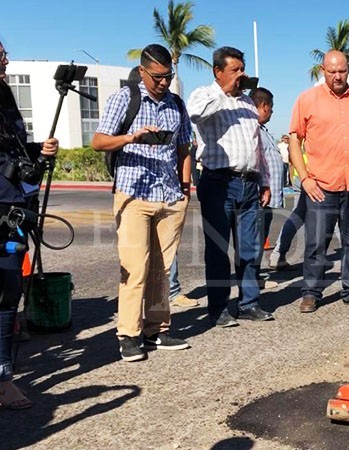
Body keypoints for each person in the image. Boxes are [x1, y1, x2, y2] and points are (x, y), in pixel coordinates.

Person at [91, 44, 193, 360]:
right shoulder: (125, 98)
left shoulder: (176, 104)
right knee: (135, 268)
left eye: (168, 76)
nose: (163, 82)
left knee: (162, 270)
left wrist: (185, 188)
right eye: (157, 76)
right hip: (133, 195)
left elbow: (184, 148)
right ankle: (128, 334)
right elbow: (98, 141)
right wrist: (131, 138)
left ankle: (156, 330)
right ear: (142, 71)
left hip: (169, 196)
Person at [289, 50, 349, 313]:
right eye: (332, 72)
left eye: (342, 71)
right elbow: (295, 140)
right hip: (321, 187)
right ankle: (311, 292)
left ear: (348, 69)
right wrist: (305, 178)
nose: (337, 76)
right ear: (323, 70)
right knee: (317, 242)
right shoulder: (307, 100)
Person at [188, 46, 273, 327]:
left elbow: (257, 146)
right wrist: (223, 92)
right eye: (235, 70)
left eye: (242, 69)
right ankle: (218, 308)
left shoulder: (248, 103)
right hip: (218, 183)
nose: (241, 75)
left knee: (250, 249)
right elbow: (195, 114)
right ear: (218, 71)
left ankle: (249, 303)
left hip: (249, 184)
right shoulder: (204, 95)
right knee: (218, 249)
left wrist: (264, 180)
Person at [0, 40, 59, 408]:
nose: (5, 60)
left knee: (8, 290)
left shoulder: (5, 94)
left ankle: (3, 378)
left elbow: (12, 148)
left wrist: (38, 150)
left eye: (4, 54)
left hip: (11, 205)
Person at [250, 87, 284, 291]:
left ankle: (255, 275)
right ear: (263, 106)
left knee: (260, 236)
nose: (272, 112)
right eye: (271, 107)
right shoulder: (253, 130)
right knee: (255, 238)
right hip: (261, 195)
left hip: (268, 197)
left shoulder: (264, 131)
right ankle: (252, 278)